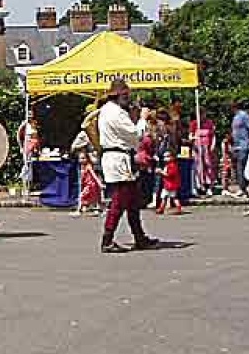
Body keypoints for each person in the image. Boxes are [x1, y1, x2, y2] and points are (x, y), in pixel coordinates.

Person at [97, 79, 159, 253]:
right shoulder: (115, 113)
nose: (127, 98)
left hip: (118, 157)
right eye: (125, 95)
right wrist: (142, 119)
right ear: (117, 95)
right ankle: (107, 239)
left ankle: (140, 237)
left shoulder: (109, 111)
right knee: (120, 200)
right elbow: (134, 135)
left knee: (132, 200)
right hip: (118, 159)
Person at [189, 112, 217, 197]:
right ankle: (200, 185)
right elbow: (190, 136)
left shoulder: (209, 123)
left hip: (207, 147)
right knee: (198, 166)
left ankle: (209, 185)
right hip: (197, 147)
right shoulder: (194, 123)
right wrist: (194, 138)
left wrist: (212, 146)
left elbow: (213, 135)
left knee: (208, 165)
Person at [231, 102, 249, 197]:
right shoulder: (236, 116)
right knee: (238, 168)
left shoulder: (243, 116)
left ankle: (244, 189)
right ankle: (242, 188)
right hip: (237, 145)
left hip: (244, 145)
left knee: (242, 168)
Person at [75, 150, 104, 215]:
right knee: (92, 197)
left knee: (82, 196)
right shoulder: (81, 167)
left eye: (83, 158)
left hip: (91, 185)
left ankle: (78, 210)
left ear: (87, 158)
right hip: (87, 185)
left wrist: (99, 183)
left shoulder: (88, 166)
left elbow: (94, 175)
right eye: (80, 158)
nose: (81, 160)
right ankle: (93, 209)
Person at [155, 150, 183, 215]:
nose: (165, 158)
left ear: (172, 157)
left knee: (170, 197)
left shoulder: (172, 165)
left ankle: (178, 208)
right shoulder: (168, 165)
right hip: (168, 184)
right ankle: (161, 208)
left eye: (167, 156)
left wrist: (161, 172)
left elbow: (169, 175)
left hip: (170, 185)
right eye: (164, 157)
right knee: (165, 197)